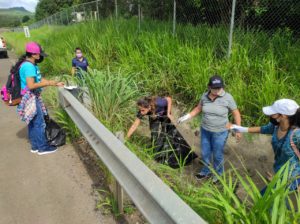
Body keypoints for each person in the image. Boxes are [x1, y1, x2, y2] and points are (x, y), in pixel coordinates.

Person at [177, 75, 241, 182]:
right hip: (205, 130)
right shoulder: (204, 96)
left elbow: (236, 114)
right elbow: (198, 109)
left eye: (220, 88)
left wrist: (238, 129)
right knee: (205, 153)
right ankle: (206, 171)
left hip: (220, 132)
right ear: (209, 87)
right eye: (215, 88)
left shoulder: (228, 97)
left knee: (217, 154)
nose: (218, 90)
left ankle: (218, 174)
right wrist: (187, 116)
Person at [229, 99, 300, 192]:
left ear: (283, 115)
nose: (270, 115)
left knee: (264, 198)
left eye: (273, 113)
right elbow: (262, 129)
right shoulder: (276, 126)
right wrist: (240, 129)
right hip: (279, 170)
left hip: (291, 176)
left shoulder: (297, 135)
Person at [17, 42, 64, 155]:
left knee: (33, 122)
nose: (41, 56)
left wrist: (54, 83)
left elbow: (39, 79)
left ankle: (35, 146)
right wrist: (47, 83)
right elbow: (31, 85)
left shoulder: (30, 65)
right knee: (38, 122)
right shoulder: (28, 66)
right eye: (39, 54)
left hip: (31, 96)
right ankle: (42, 147)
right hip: (30, 97)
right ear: (33, 54)